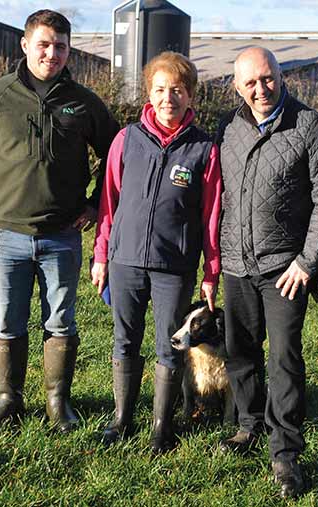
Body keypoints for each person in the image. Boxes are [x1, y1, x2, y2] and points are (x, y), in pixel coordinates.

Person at [0, 9, 119, 436]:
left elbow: (118, 155)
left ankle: (57, 401)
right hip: (4, 235)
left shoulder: (83, 102)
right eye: (44, 44)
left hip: (63, 235)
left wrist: (97, 203)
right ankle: (8, 400)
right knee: (8, 320)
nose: (52, 53)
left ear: (69, 51)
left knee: (60, 321)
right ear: (25, 45)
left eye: (61, 46)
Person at [215, 47, 318, 498]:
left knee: (284, 358)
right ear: (237, 86)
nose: (260, 89)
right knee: (240, 351)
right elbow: (219, 196)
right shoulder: (227, 129)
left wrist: (307, 261)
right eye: (250, 82)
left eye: (267, 78)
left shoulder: (308, 125)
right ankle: (248, 426)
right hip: (236, 263)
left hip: (284, 268)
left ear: (281, 75)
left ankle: (285, 451)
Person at [90, 51, 222, 453]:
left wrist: (210, 271)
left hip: (174, 266)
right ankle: (121, 420)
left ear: (191, 96)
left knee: (170, 343)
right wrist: (101, 255)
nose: (169, 98)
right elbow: (108, 202)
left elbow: (212, 214)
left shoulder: (204, 149)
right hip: (124, 258)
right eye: (161, 89)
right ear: (149, 93)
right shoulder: (126, 140)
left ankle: (161, 430)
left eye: (178, 90)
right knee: (124, 339)